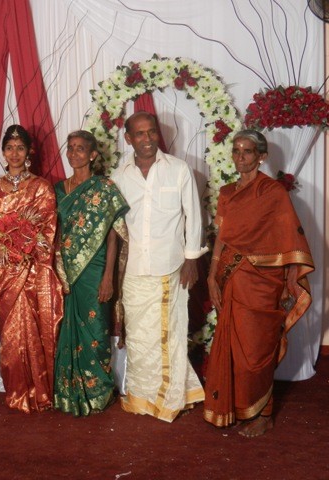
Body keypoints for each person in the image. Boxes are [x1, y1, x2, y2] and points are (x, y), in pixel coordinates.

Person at [204, 130, 314, 437]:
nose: (240, 157)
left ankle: (264, 413)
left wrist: (290, 280)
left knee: (257, 350)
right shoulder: (227, 192)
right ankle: (235, 406)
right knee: (233, 347)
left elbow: (289, 237)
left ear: (261, 156)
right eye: (237, 151)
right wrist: (212, 275)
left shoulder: (272, 192)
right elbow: (222, 238)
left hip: (262, 281)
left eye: (248, 151)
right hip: (230, 276)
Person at [111, 111, 206, 422]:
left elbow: (193, 215)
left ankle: (169, 397)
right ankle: (141, 396)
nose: (147, 139)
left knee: (170, 335)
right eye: (139, 134)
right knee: (139, 338)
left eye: (151, 132)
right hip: (134, 270)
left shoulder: (178, 169)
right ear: (128, 139)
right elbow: (115, 228)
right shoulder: (119, 175)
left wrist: (191, 259)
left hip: (170, 267)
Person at [0, 125, 64, 413]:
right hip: (5, 269)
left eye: (20, 148)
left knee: (34, 326)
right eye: (9, 148)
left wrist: (26, 250)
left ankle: (40, 390)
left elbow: (47, 229)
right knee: (11, 332)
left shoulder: (41, 187)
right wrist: (2, 249)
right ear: (3, 152)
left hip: (31, 268)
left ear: (29, 152)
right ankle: (17, 389)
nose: (14, 153)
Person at [53, 130, 129, 417]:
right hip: (66, 271)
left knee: (96, 330)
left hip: (96, 269)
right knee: (67, 330)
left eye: (81, 148)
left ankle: (98, 392)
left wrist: (108, 276)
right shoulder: (58, 189)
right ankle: (69, 392)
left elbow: (113, 236)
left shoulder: (104, 188)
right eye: (71, 148)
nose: (74, 153)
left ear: (93, 154)